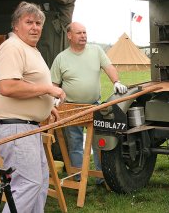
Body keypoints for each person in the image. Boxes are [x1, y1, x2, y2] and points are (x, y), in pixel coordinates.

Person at [0, 1, 66, 213]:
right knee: (28, 184)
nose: (35, 27)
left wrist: (46, 105)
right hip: (14, 127)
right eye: (29, 22)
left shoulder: (29, 49)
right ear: (16, 25)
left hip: (28, 127)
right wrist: (48, 90)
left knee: (39, 183)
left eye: (39, 23)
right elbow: (8, 86)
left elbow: (28, 84)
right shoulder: (12, 47)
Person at [50, 21, 127, 184]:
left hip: (94, 104)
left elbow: (109, 67)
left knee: (98, 143)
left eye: (85, 32)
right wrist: (54, 97)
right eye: (79, 33)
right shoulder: (61, 58)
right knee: (75, 143)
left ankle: (102, 177)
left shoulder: (96, 51)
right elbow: (54, 85)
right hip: (71, 107)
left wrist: (116, 82)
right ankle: (78, 178)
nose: (83, 36)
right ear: (69, 36)